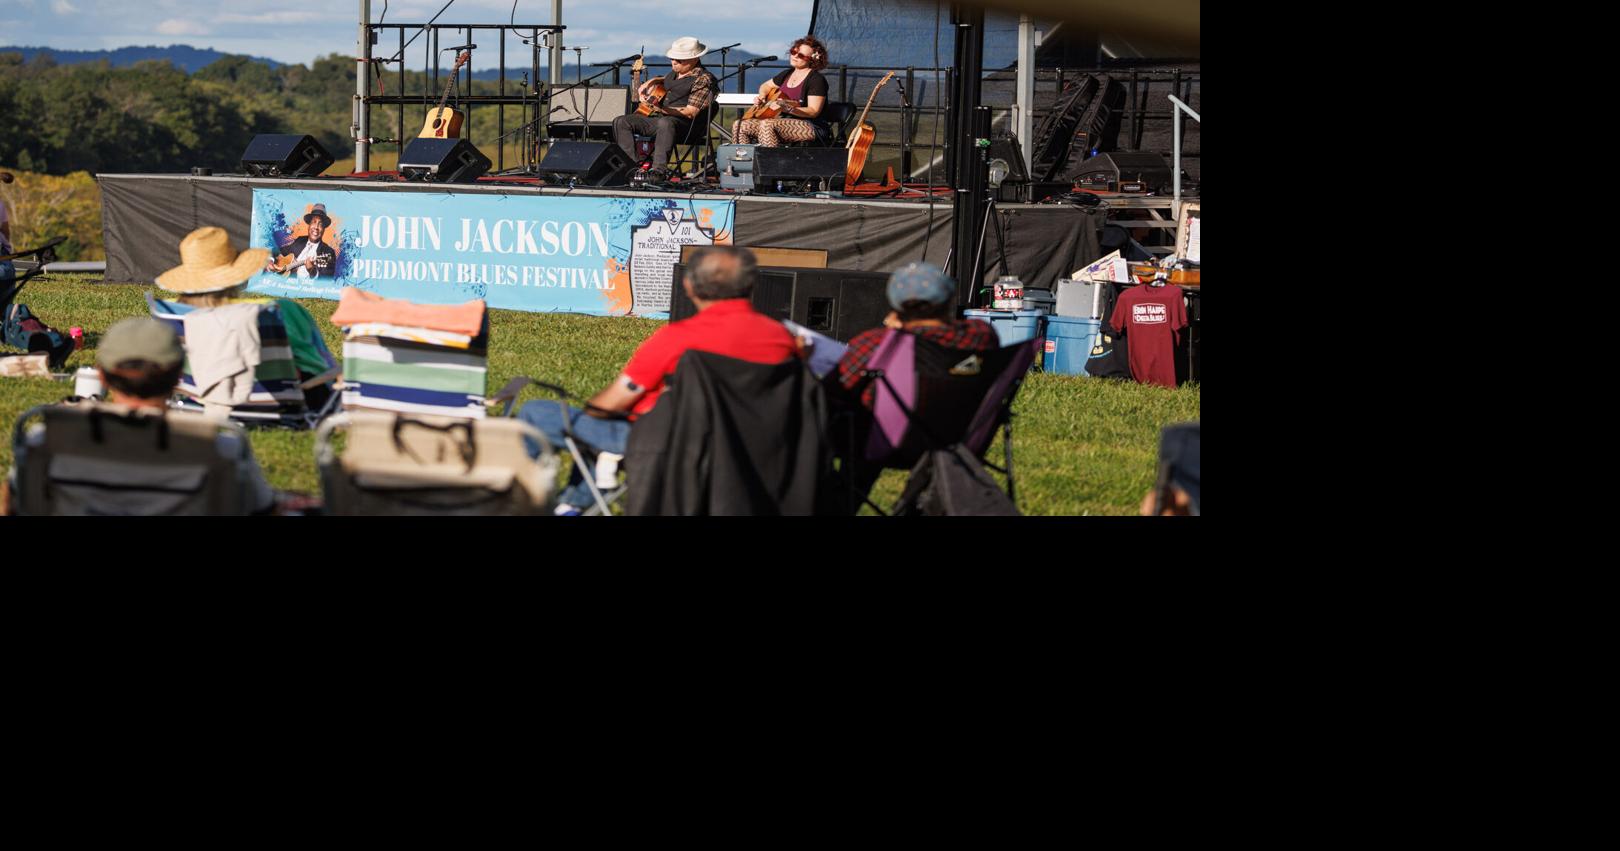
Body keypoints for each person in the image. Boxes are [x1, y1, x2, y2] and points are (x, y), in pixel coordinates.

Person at [518, 246, 800, 514]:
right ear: (752, 285)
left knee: (537, 413)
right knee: (599, 435)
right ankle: (573, 505)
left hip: (669, 443)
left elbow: (612, 403)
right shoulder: (785, 340)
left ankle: (514, 502)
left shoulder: (677, 338)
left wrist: (592, 413)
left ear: (689, 287)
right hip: (751, 447)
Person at [3, 317, 277, 515]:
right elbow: (260, 507)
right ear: (177, 376)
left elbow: (12, 501)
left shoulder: (48, 439)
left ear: (101, 375)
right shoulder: (221, 448)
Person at [827, 262, 998, 511]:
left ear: (896, 307)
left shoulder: (876, 343)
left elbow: (833, 391)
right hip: (957, 443)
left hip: (883, 443)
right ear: (949, 300)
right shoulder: (981, 337)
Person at [159, 226, 338, 409]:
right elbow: (318, 363)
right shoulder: (280, 311)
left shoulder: (170, 312)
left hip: (196, 399)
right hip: (275, 402)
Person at [611, 37, 717, 181]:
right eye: (673, 58)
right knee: (621, 121)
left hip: (686, 126)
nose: (674, 62)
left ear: (694, 59)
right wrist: (651, 81)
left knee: (666, 123)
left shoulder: (704, 79)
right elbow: (665, 79)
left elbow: (691, 112)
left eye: (679, 60)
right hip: (662, 120)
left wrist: (662, 109)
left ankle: (658, 172)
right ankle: (631, 168)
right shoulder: (675, 73)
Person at [732, 36, 831, 147]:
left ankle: (770, 162)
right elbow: (765, 86)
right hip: (781, 121)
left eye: (801, 55)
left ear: (812, 59)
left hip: (812, 125)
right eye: (793, 51)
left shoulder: (816, 80)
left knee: (767, 124)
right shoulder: (786, 74)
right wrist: (762, 96)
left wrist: (788, 109)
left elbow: (813, 111)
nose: (795, 56)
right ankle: (744, 160)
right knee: (740, 125)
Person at [263, 203, 337, 279]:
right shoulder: (300, 240)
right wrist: (270, 261)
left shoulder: (328, 253)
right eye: (313, 222)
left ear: (324, 229)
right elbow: (277, 250)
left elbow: (326, 281)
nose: (316, 227)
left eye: (320, 224)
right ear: (309, 225)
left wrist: (312, 271)